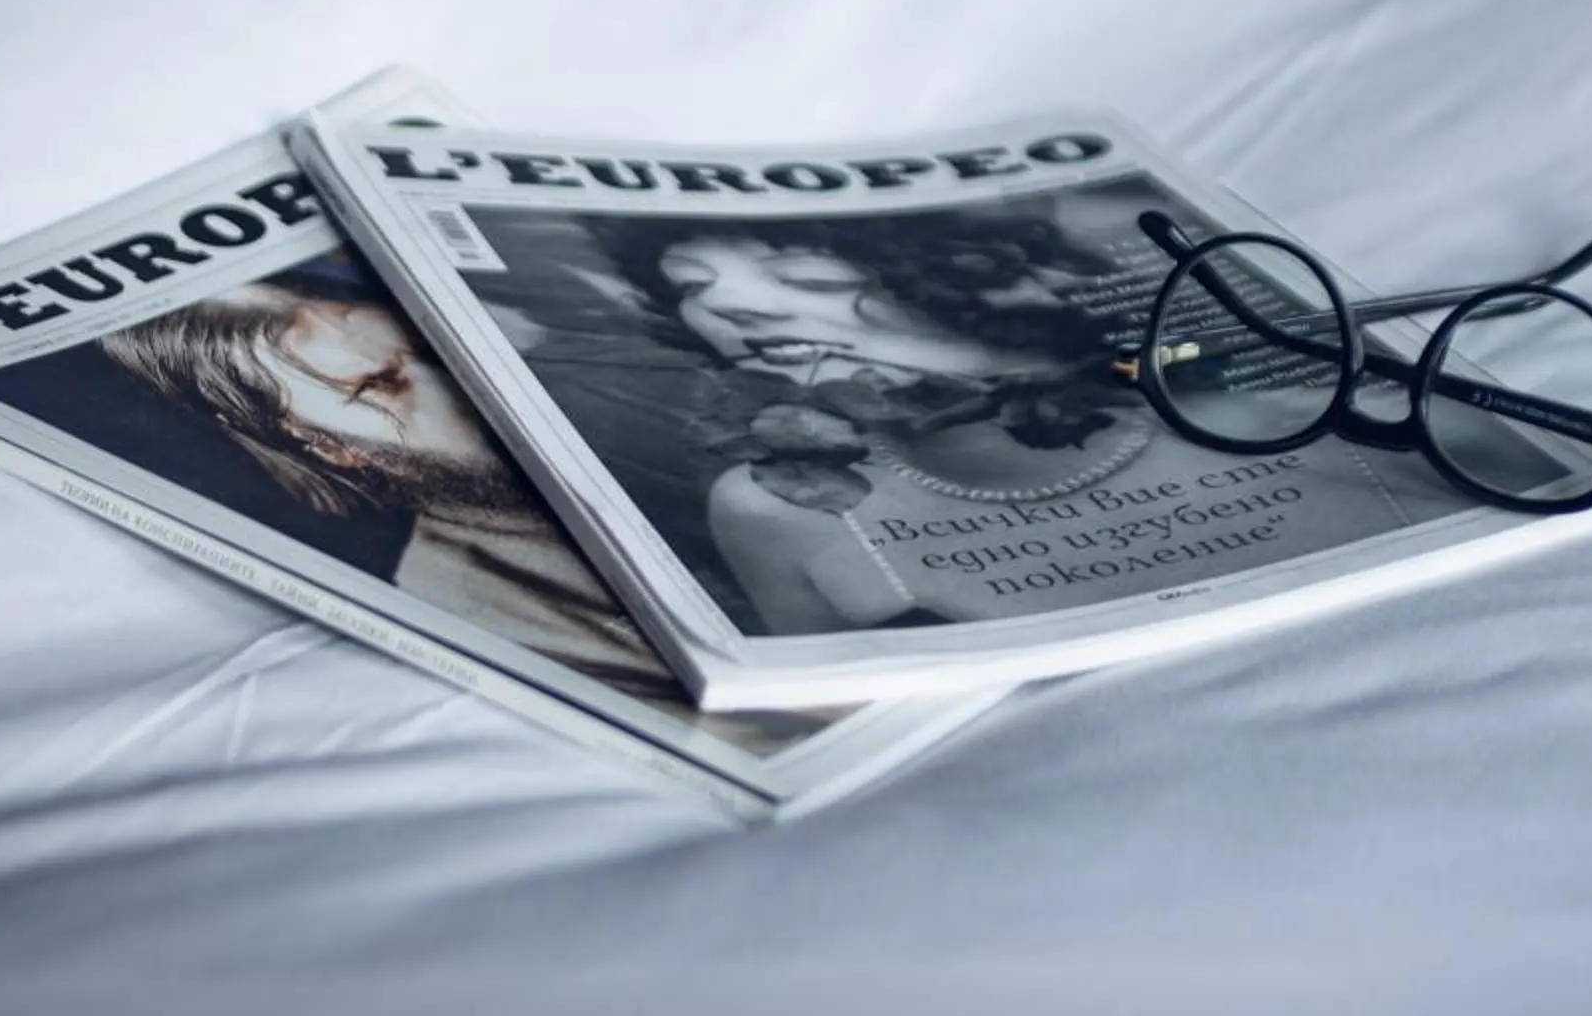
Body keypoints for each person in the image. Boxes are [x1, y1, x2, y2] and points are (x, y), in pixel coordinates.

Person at [597, 211, 1460, 636]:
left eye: (801, 272)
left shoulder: (1285, 402)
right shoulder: (772, 505)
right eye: (694, 293)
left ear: (974, 274)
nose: (739, 309)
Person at [98, 264, 747, 731]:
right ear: (329, 447)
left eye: (429, 344)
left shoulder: (625, 376)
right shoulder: (473, 600)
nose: (464, 385)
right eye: (381, 386)